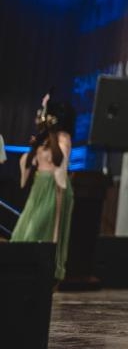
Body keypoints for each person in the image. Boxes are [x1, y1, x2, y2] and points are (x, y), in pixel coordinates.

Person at [12, 94, 75, 281]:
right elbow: (30, 162)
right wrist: (35, 145)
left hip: (54, 189)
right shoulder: (41, 138)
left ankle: (44, 272)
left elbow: (58, 160)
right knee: (25, 228)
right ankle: (21, 270)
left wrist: (53, 134)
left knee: (42, 228)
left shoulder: (63, 138)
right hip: (38, 186)